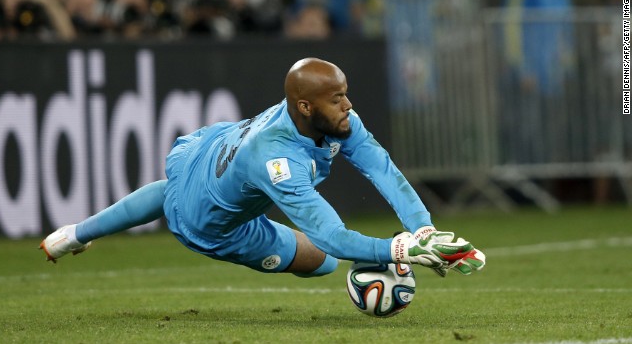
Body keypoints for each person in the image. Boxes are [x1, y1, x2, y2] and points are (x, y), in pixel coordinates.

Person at [40, 58, 485, 278]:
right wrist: (398, 252)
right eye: (337, 99)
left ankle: (75, 234)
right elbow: (329, 235)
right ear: (305, 106)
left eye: (346, 93)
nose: (348, 105)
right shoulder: (279, 162)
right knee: (326, 262)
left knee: (170, 189)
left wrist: (422, 229)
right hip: (212, 222)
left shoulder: (333, 118)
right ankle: (78, 233)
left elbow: (382, 169)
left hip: (206, 148)